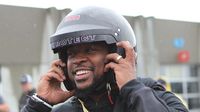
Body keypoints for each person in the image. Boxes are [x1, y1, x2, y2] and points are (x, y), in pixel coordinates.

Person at [21, 6, 188, 112]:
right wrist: (39, 104)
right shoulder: (66, 110)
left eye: (90, 50)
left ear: (118, 55)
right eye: (71, 53)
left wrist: (132, 89)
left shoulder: (149, 93)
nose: (78, 60)